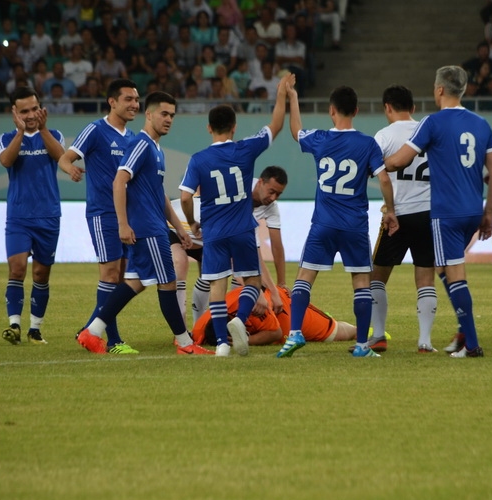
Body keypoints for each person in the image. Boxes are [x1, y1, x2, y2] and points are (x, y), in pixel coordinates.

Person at [76, 91, 213, 356]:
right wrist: (123, 224)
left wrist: (176, 227)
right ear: (148, 114)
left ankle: (92, 331)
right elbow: (119, 181)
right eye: (164, 114)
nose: (169, 119)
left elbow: (158, 195)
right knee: (168, 282)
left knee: (135, 282)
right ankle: (185, 344)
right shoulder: (141, 144)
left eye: (172, 115)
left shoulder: (156, 149)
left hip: (156, 227)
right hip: (147, 229)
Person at [385, 67, 492, 358]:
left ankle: (471, 344)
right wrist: (489, 212)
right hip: (473, 211)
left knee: (455, 273)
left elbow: (399, 161)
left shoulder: (432, 123)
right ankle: (464, 329)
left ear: (439, 90)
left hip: (446, 213)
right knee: (443, 269)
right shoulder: (481, 123)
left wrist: (371, 162)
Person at [276, 84, 398, 359]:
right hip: (354, 224)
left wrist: (293, 98)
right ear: (356, 110)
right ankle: (361, 347)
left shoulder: (320, 138)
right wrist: (390, 210)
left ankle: (294, 334)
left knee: (305, 277)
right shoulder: (368, 143)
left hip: (324, 223)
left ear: (331, 111)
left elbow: (296, 132)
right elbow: (384, 179)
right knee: (361, 282)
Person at [179, 74, 293, 357]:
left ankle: (220, 344)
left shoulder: (199, 159)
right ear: (234, 127)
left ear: (209, 128)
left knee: (217, 284)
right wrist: (282, 94)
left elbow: (184, 196)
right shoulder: (245, 148)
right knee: (252, 281)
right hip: (242, 228)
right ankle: (239, 321)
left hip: (214, 232)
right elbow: (276, 125)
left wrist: (193, 221)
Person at [59, 78, 140, 354]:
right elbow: (65, 157)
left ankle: (89, 330)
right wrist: (69, 168)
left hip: (127, 215)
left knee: (121, 278)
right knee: (109, 275)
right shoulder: (95, 130)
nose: (134, 104)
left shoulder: (132, 138)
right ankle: (114, 341)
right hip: (102, 212)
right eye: (128, 99)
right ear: (112, 101)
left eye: (136, 99)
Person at [363, 84, 438, 354]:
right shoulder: (427, 131)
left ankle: (379, 335)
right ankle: (425, 341)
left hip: (398, 214)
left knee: (377, 277)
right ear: (413, 108)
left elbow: (376, 172)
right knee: (425, 277)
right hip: (428, 213)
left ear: (387, 107)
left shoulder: (383, 136)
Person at [169, 165, 289, 327]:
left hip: (207, 236)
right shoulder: (238, 198)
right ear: (260, 183)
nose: (274, 198)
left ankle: (223, 323)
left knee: (219, 274)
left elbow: (274, 247)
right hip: (174, 227)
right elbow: (255, 258)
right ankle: (183, 332)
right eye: (271, 191)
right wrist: (268, 292)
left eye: (279, 194)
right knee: (181, 263)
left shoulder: (266, 208)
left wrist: (280, 284)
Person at [0, 87, 65, 346]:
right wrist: (20, 133)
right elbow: (6, 160)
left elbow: (60, 156)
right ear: (14, 112)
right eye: (23, 111)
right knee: (17, 269)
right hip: (19, 217)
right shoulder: (6, 138)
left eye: (34, 108)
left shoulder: (54, 135)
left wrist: (43, 130)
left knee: (41, 275)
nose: (30, 115)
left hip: (48, 217)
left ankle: (35, 329)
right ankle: (14, 325)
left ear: (41, 108)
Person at [192, 286, 357, 347]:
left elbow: (276, 332)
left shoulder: (256, 309)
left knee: (335, 333)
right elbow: (187, 340)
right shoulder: (202, 326)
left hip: (285, 311)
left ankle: (362, 331)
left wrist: (245, 341)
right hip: (267, 304)